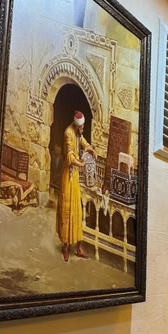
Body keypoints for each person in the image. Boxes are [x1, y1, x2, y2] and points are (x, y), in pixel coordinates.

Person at [56, 111, 95, 262]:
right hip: (68, 176)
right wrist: (81, 164)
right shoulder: (68, 133)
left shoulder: (78, 132)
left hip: (75, 177)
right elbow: (70, 155)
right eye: (81, 127)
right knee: (67, 211)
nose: (82, 129)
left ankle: (78, 248)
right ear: (76, 126)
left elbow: (82, 141)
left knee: (77, 211)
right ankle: (66, 246)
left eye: (83, 126)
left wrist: (90, 149)